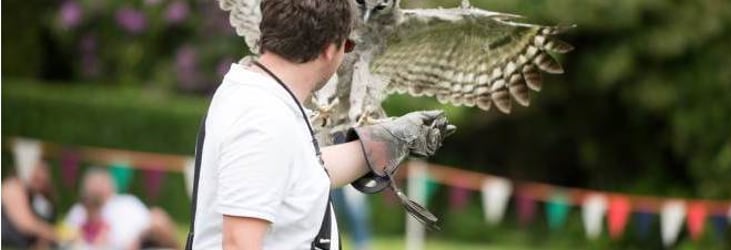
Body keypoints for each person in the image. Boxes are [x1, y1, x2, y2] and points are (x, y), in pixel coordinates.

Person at [188, 0, 454, 249]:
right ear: (329, 49)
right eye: (348, 46)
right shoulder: (263, 119)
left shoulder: (267, 100)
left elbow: (298, 172)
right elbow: (238, 244)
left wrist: (390, 140)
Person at [64, 169, 179, 250]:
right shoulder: (80, 210)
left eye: (103, 183)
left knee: (158, 216)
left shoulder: (127, 201)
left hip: (144, 240)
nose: (100, 188)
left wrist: (142, 236)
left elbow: (152, 221)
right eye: (96, 184)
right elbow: (71, 237)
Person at [1, 160, 57, 249]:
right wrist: (55, 233)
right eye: (38, 174)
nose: (43, 177)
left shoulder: (35, 196)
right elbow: (26, 224)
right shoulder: (13, 186)